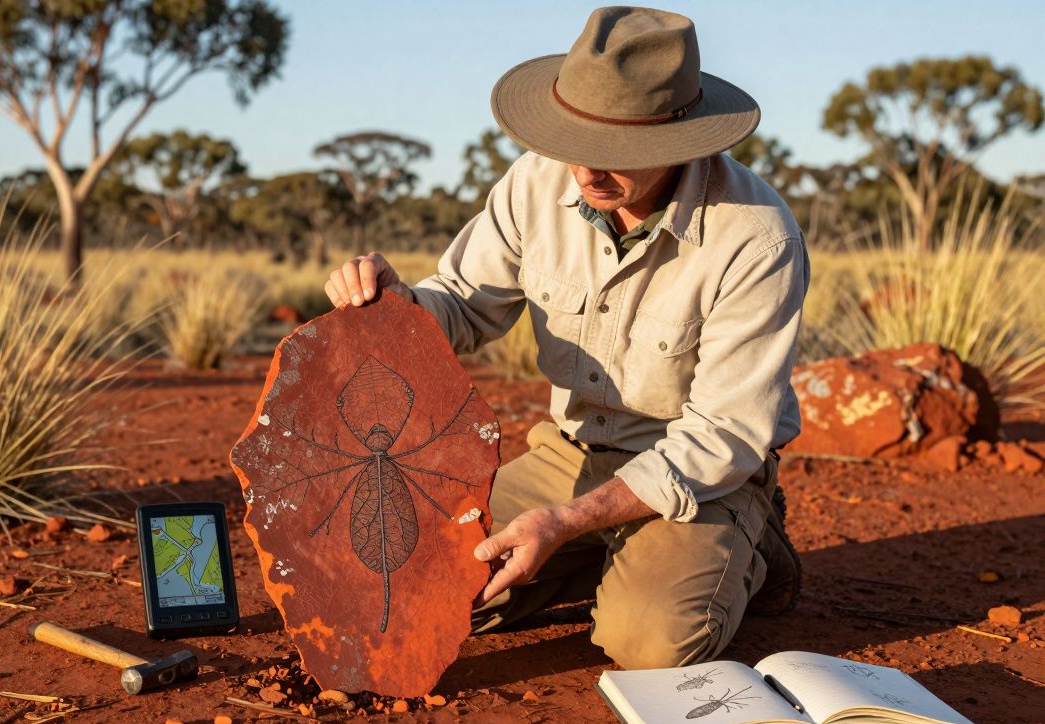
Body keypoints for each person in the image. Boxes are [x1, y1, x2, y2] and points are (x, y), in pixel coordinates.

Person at [324, 6, 808, 670]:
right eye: (572, 140)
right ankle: (603, 560)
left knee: (651, 642)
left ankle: (747, 549)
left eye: (617, 153)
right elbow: (463, 306)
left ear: (680, 141)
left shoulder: (755, 238)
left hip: (701, 475)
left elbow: (723, 433)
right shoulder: (535, 182)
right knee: (409, 582)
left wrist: (562, 524)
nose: (586, 171)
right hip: (569, 453)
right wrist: (395, 303)